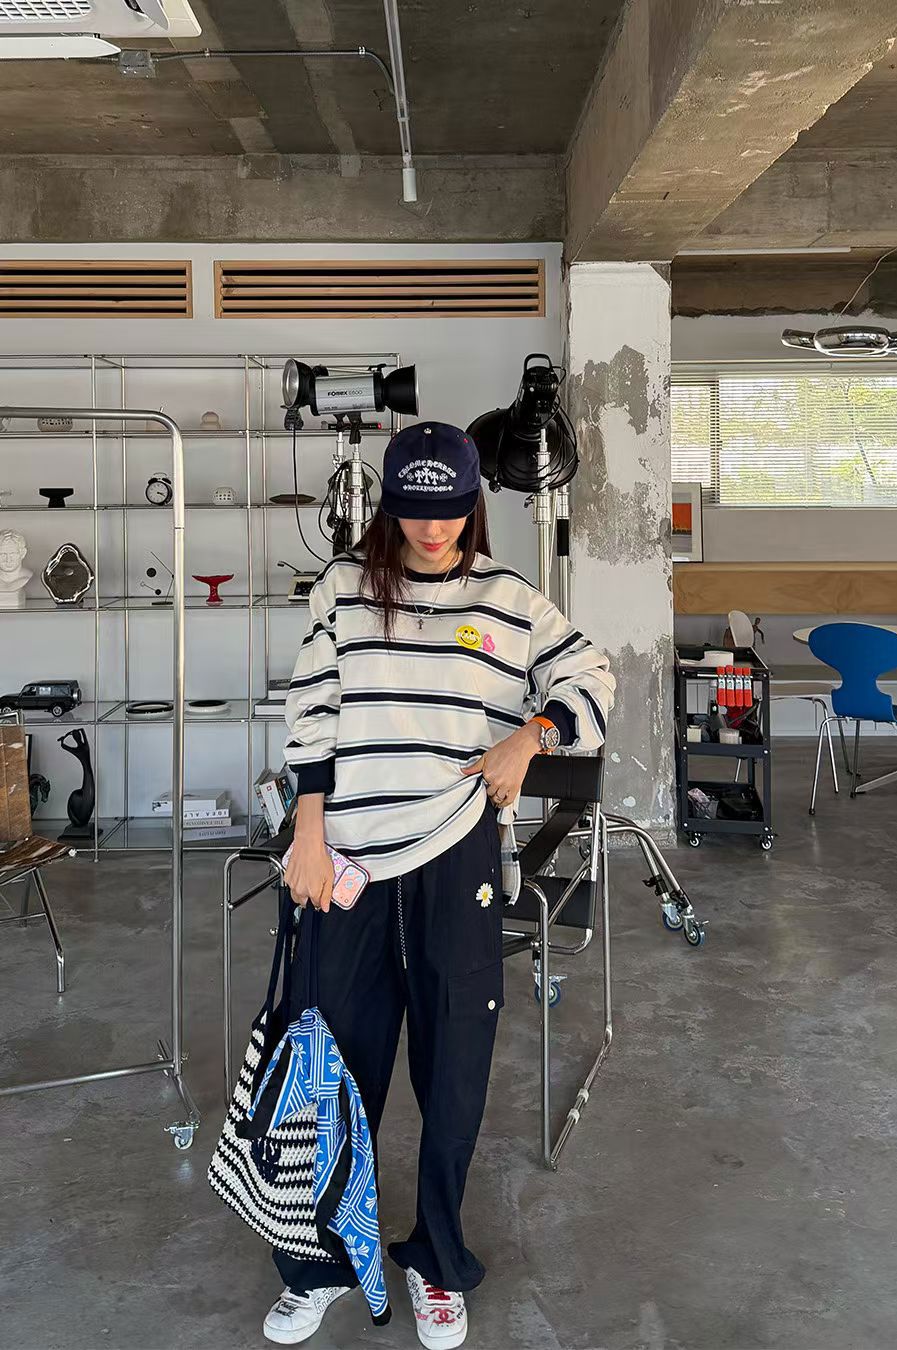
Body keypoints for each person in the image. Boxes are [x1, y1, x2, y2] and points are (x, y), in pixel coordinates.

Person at [265, 421, 615, 1348]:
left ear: (474, 504)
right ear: (389, 507)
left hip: (456, 857)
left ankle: (436, 1259)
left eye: (450, 510)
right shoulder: (343, 587)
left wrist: (530, 736)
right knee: (331, 1068)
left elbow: (593, 674)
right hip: (346, 858)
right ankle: (321, 1263)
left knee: (454, 1070)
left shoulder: (507, 599)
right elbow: (312, 709)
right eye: (415, 511)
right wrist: (307, 833)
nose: (432, 529)